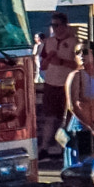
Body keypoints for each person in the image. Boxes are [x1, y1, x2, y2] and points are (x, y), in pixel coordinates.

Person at [34, 13, 81, 158]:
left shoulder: (74, 42)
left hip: (67, 84)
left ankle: (63, 146)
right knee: (50, 116)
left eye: (57, 25)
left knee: (66, 117)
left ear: (64, 25)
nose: (55, 28)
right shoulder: (49, 42)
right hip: (51, 83)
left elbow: (78, 65)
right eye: (52, 25)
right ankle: (45, 146)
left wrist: (61, 61)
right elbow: (42, 65)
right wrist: (50, 57)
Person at [62, 45, 94, 169]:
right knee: (85, 166)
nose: (82, 55)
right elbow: (73, 104)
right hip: (82, 127)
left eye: (85, 52)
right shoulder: (76, 75)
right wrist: (91, 126)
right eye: (78, 52)